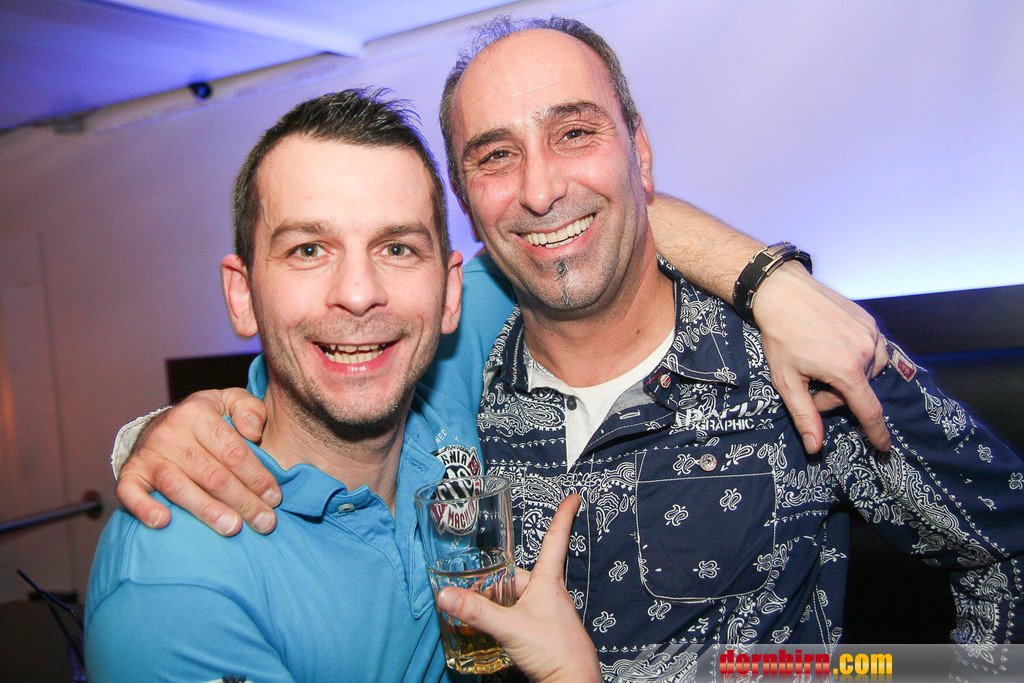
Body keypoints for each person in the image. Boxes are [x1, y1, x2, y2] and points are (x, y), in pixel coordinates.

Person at [110, 14, 1024, 677]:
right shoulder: (455, 368)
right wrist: (158, 433)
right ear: (470, 210)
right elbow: (325, 378)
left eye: (575, 132)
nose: (541, 188)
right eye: (495, 155)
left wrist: (768, 280)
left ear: (640, 152)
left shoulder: (794, 358)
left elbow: (1008, 549)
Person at [85, 89, 600, 683]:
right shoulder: (175, 588)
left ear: (450, 293)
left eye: (397, 248)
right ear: (242, 295)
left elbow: (607, 216)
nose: (358, 293)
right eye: (308, 250)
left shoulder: (445, 370)